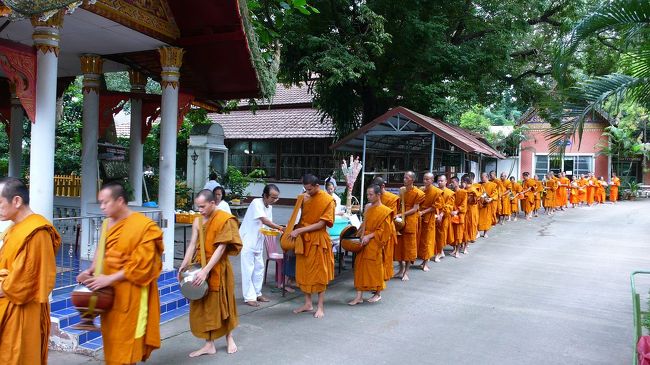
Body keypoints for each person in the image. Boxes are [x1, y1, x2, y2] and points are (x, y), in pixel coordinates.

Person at [78, 181, 164, 364]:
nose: (101, 207)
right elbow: (101, 251)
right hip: (108, 295)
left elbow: (143, 265)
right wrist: (90, 270)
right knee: (112, 342)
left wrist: (109, 279)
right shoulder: (106, 223)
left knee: (127, 344)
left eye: (105, 202)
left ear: (120, 201)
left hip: (131, 292)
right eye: (100, 202)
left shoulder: (145, 227)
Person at [0, 178, 61, 365]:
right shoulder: (15, 228)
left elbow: (23, 283)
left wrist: (4, 280)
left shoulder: (37, 232)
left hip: (22, 313)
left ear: (16, 201)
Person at [178, 189, 242, 357]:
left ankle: (229, 338)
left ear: (213, 203)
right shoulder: (198, 221)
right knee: (204, 305)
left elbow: (221, 248)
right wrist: (183, 265)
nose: (200, 210)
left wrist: (207, 271)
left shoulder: (224, 219)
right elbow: (192, 244)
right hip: (199, 267)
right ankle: (209, 344)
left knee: (224, 303)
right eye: (198, 207)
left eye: (202, 207)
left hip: (218, 268)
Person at [291, 174, 335, 319]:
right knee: (304, 271)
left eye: (309, 189)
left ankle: (320, 306)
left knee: (319, 273)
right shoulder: (304, 197)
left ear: (317, 186)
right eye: (305, 189)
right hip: (304, 240)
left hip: (318, 240)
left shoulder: (328, 200)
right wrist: (292, 228)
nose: (307, 192)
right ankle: (308, 303)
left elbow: (322, 223)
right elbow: (299, 217)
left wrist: (300, 230)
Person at [348, 185, 393, 305]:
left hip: (374, 243)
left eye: (370, 194)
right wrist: (360, 235)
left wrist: (369, 236)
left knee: (375, 268)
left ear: (378, 195)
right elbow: (364, 224)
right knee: (359, 267)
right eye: (367, 194)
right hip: (363, 241)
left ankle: (377, 293)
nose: (368, 197)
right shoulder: (368, 208)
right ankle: (359, 296)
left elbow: (384, 231)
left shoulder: (385, 211)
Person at [239, 184, 282, 307]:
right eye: (273, 197)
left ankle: (257, 293)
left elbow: (267, 226)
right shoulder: (256, 203)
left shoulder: (269, 207)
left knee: (259, 268)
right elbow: (265, 221)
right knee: (248, 269)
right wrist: (280, 227)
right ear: (265, 195)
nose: (274, 200)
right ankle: (249, 297)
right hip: (248, 240)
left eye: (276, 198)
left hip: (258, 241)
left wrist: (275, 230)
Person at [393, 171, 424, 281]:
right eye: (404, 177)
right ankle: (400, 269)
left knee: (409, 248)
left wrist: (401, 214)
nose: (404, 179)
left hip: (410, 220)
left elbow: (415, 209)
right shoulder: (402, 190)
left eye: (406, 178)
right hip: (400, 220)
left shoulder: (418, 193)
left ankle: (406, 271)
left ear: (412, 180)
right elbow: (399, 204)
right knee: (399, 247)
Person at [371, 176, 399, 281]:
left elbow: (392, 215)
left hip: (387, 229)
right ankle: (376, 275)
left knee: (386, 254)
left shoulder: (392, 198)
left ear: (383, 186)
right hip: (375, 229)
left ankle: (385, 276)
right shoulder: (373, 196)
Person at [416, 172, 441, 271]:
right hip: (420, 217)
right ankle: (422, 260)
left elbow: (436, 206)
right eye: (424, 179)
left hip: (429, 218)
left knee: (428, 241)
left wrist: (423, 212)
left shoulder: (436, 191)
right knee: (421, 240)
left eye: (427, 179)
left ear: (431, 180)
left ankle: (426, 262)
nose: (425, 181)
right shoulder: (421, 190)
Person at [434, 174, 455, 261]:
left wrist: (441, 214)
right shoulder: (435, 191)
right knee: (435, 235)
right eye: (438, 181)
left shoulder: (450, 193)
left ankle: (439, 252)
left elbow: (449, 206)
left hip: (444, 217)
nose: (439, 182)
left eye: (441, 181)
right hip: (435, 215)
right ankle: (440, 251)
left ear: (446, 182)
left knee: (441, 235)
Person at [449, 176, 467, 258]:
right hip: (452, 215)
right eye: (451, 182)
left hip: (460, 215)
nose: (451, 184)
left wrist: (457, 211)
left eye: (453, 182)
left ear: (457, 182)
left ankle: (458, 251)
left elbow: (464, 204)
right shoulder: (451, 193)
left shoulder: (463, 192)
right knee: (453, 233)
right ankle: (454, 249)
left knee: (459, 234)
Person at [477, 172, 497, 238]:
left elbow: (495, 193)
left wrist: (491, 199)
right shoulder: (479, 184)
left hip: (488, 205)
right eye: (481, 177)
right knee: (479, 219)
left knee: (487, 219)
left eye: (482, 177)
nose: (481, 178)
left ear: (486, 177)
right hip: (480, 204)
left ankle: (485, 233)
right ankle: (478, 233)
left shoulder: (493, 185)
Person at [464, 173, 481, 244]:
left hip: (471, 208)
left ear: (465, 182)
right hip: (468, 208)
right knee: (468, 223)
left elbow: (477, 197)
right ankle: (469, 237)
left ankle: (472, 237)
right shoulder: (467, 189)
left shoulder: (472, 189)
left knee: (471, 222)